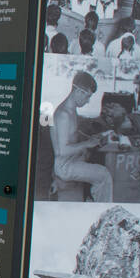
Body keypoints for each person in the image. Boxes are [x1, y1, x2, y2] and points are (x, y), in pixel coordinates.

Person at [52, 71, 113, 201]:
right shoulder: (64, 115)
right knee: (104, 175)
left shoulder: (71, 110)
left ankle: (92, 198)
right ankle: (101, 209)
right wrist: (87, 144)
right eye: (87, 96)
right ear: (78, 91)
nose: (88, 101)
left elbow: (71, 136)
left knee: (95, 158)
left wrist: (90, 139)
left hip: (73, 159)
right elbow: (62, 151)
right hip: (65, 166)